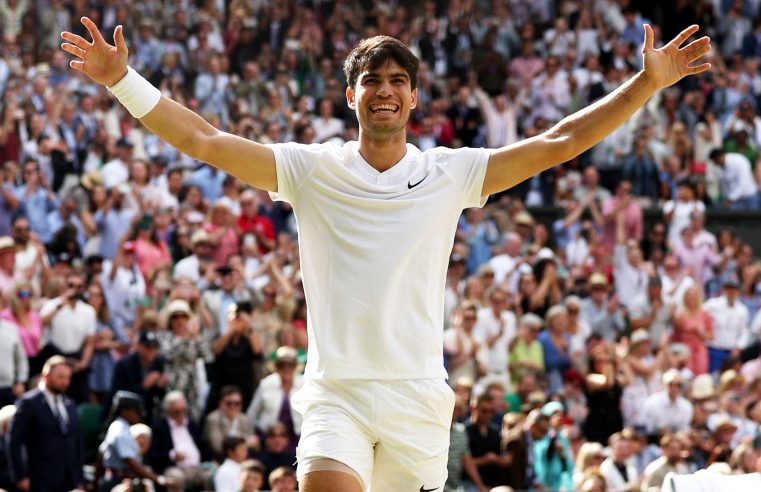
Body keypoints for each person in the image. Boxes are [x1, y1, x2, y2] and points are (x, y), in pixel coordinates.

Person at [61, 17, 712, 491]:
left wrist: (645, 83)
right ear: (351, 96)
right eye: (371, 80)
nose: (385, 90)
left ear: (414, 97)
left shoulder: (450, 172)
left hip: (417, 400)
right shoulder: (308, 170)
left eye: (398, 80)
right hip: (335, 396)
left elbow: (560, 140)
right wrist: (122, 80)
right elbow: (204, 138)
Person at [8, 356, 84, 492]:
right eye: (60, 377)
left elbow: (76, 441)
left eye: (68, 377)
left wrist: (79, 478)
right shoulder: (28, 403)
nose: (65, 382)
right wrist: (20, 476)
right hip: (39, 479)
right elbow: (14, 441)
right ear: (46, 375)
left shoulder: (70, 404)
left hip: (69, 480)